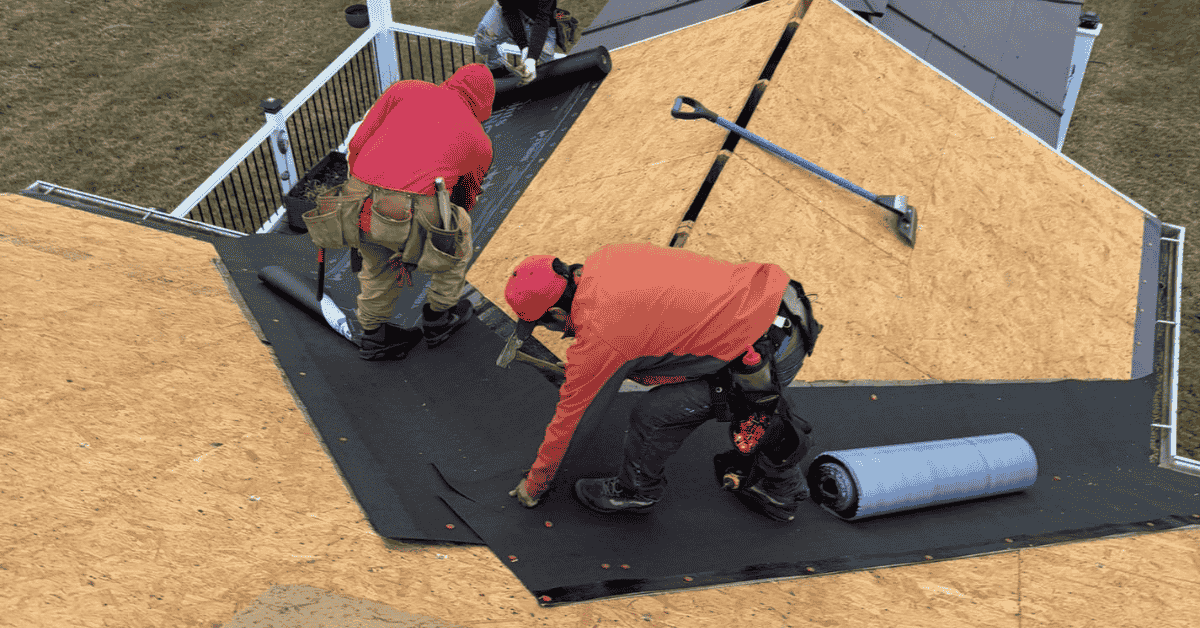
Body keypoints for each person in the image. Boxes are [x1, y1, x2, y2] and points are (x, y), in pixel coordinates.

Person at [502, 243, 823, 522]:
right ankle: (774, 458)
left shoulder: (603, 337)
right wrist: (593, 365)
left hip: (766, 353)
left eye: (547, 325)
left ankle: (637, 491)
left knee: (656, 412)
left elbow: (572, 425)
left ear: (558, 313)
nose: (556, 331)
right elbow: (654, 326)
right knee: (708, 376)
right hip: (778, 299)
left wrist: (536, 483)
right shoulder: (610, 258)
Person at [344, 63, 495, 361]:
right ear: (484, 102)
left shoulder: (405, 90)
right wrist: (431, 243)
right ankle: (440, 318)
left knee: (376, 264)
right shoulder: (479, 142)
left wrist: (365, 196)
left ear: (451, 81)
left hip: (356, 201)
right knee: (459, 230)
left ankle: (375, 337)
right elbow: (465, 200)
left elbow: (357, 144)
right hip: (403, 213)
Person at [474, 0, 559, 84]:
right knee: (483, 38)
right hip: (513, 8)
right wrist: (524, 46)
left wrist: (532, 58)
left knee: (544, 68)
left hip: (540, 17)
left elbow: (542, 19)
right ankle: (498, 70)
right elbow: (509, 10)